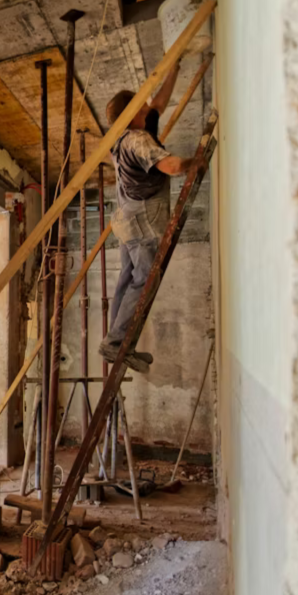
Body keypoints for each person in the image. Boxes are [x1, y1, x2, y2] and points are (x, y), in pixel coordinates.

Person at [99, 62, 194, 374]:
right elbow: (173, 167)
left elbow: (159, 104)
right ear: (132, 113)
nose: (146, 104)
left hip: (126, 217)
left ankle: (117, 343)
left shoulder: (132, 131)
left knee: (127, 279)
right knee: (142, 280)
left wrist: (174, 68)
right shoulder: (137, 141)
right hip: (140, 220)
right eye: (141, 104)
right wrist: (198, 159)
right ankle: (115, 344)